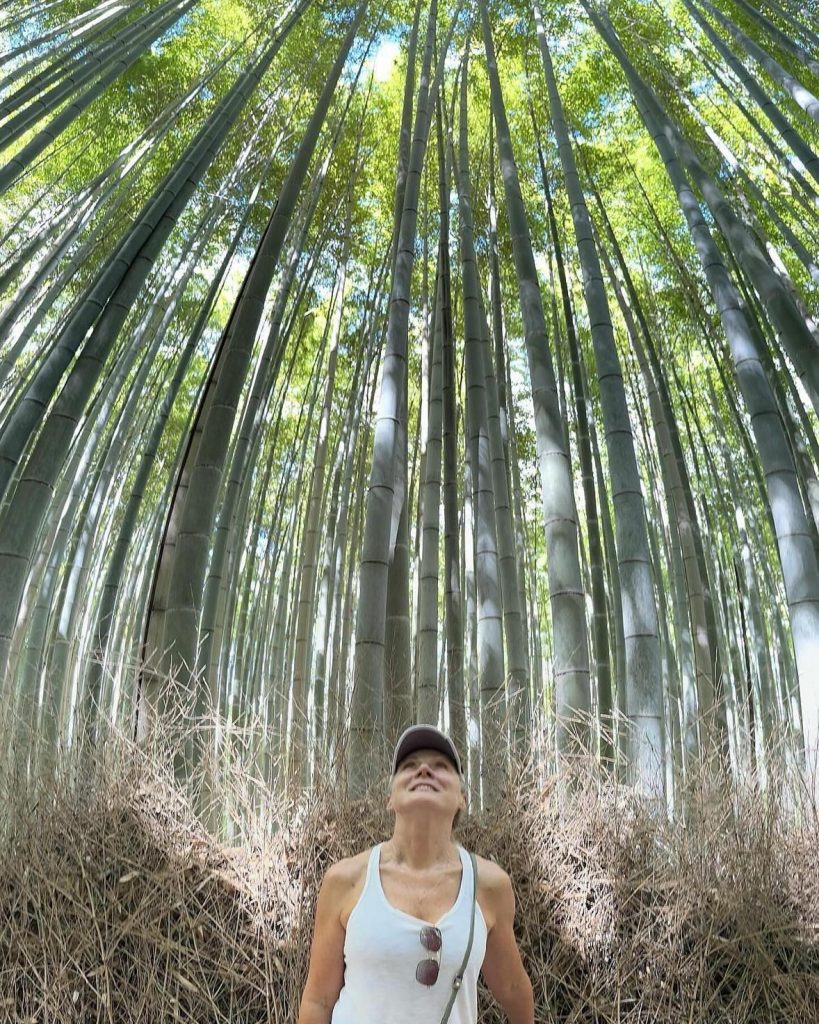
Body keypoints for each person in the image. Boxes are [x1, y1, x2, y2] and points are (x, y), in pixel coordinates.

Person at [297, 724, 535, 1024]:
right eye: (409, 766)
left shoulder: (488, 885)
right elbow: (318, 1000)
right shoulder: (346, 880)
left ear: (462, 798)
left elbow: (514, 989)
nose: (423, 770)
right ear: (390, 799)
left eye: (441, 766)